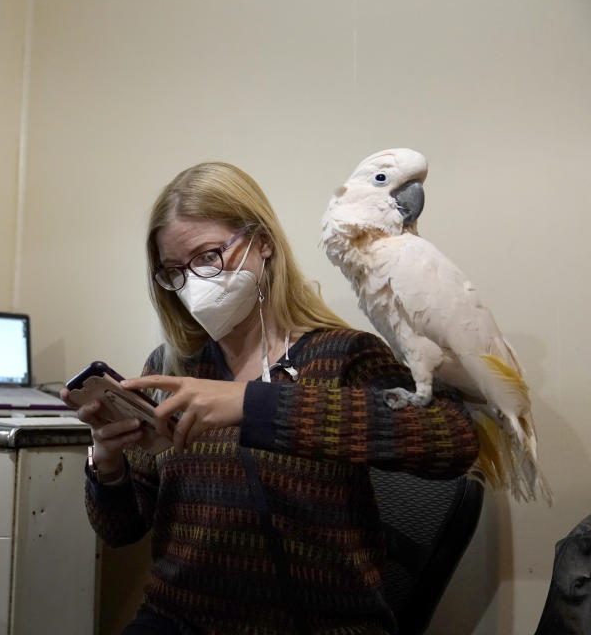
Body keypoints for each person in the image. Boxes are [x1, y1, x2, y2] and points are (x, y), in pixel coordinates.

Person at [61, 162, 480, 635]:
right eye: (174, 272)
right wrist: (107, 461)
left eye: (208, 257)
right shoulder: (169, 366)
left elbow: (454, 440)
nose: (193, 284)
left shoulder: (342, 354)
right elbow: (120, 531)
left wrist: (252, 404)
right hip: (178, 620)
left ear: (262, 242)